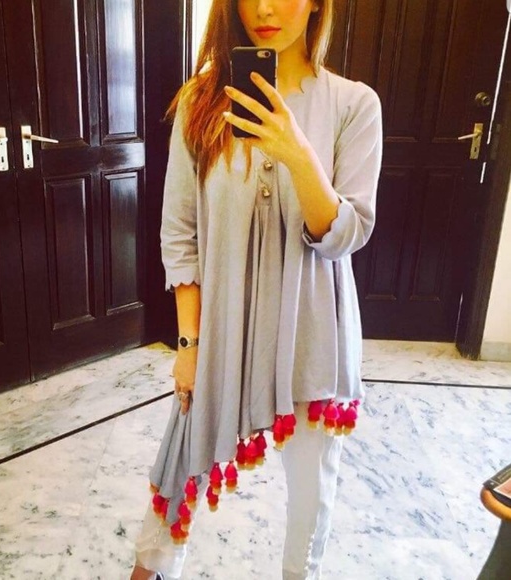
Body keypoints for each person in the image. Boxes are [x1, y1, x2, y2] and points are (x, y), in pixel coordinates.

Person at [131, 0, 382, 578]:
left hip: (313, 337)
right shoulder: (201, 102)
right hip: (222, 333)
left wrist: (298, 153)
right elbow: (181, 233)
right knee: (182, 467)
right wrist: (189, 346)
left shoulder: (353, 104)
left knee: (311, 497)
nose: (264, 8)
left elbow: (347, 234)